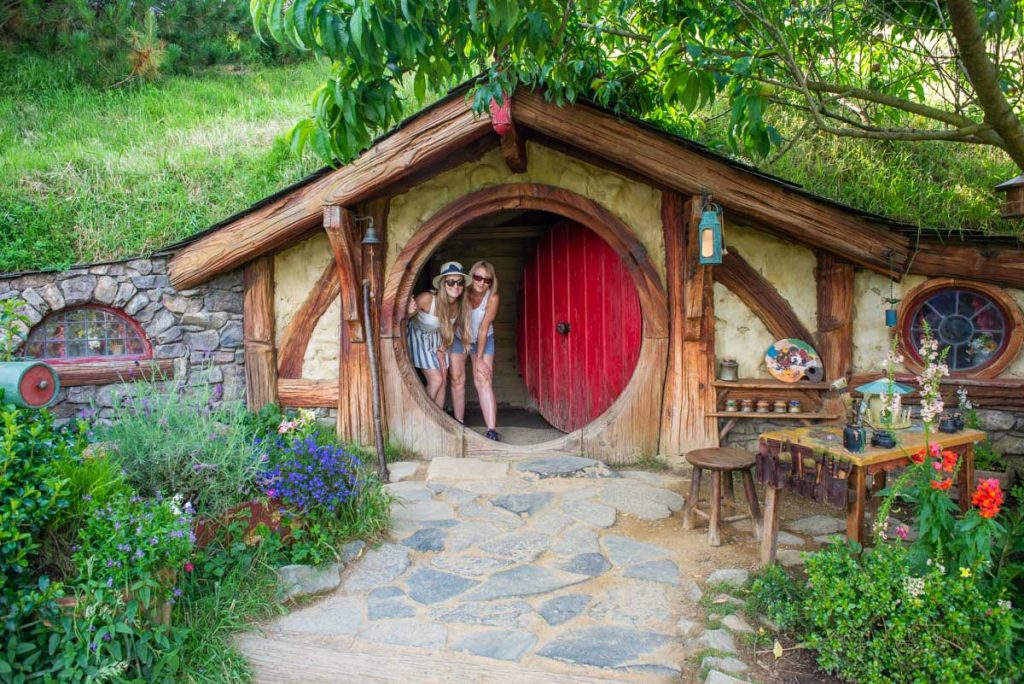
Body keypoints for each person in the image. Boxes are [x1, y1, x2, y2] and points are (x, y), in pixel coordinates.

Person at [406, 261, 467, 408]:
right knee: (436, 380)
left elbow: (449, 328)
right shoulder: (428, 299)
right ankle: (424, 416)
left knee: (443, 381)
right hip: (418, 336)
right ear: (442, 284)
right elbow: (402, 318)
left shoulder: (458, 305)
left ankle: (438, 419)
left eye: (459, 282)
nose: (455, 286)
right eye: (450, 282)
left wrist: (442, 347)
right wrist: (408, 311)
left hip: (439, 339)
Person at [450, 260, 500, 440]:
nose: (481, 282)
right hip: (459, 336)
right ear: (471, 277)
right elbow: (456, 320)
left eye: (487, 280)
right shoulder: (461, 293)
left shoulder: (492, 298)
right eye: (478, 277)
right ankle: (459, 423)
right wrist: (464, 344)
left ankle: (492, 430)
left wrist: (477, 358)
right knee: (457, 379)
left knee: (483, 378)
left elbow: (483, 329)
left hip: (483, 339)